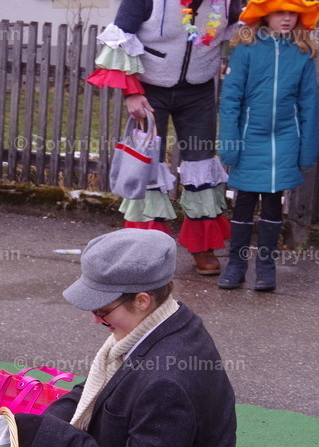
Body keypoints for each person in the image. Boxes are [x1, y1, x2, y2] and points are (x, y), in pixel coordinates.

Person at [11, 229, 247, 447]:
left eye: (102, 309)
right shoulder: (168, 321)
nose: (94, 319)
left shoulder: (167, 380)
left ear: (141, 300)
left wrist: (52, 437)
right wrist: (50, 421)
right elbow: (100, 390)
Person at [85, 0, 241, 276]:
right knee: (147, 166)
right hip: (149, 88)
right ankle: (146, 249)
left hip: (199, 90)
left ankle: (201, 247)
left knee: (201, 163)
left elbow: (239, 31)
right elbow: (121, 36)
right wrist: (132, 92)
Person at [217, 0, 319, 292]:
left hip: (285, 138)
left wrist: (306, 147)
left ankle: (266, 267)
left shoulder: (302, 54)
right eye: (280, 12)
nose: (287, 19)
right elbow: (230, 101)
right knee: (244, 202)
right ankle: (236, 265)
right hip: (250, 136)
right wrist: (230, 142)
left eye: (292, 14)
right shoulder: (246, 50)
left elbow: (308, 104)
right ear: (266, 15)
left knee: (274, 203)